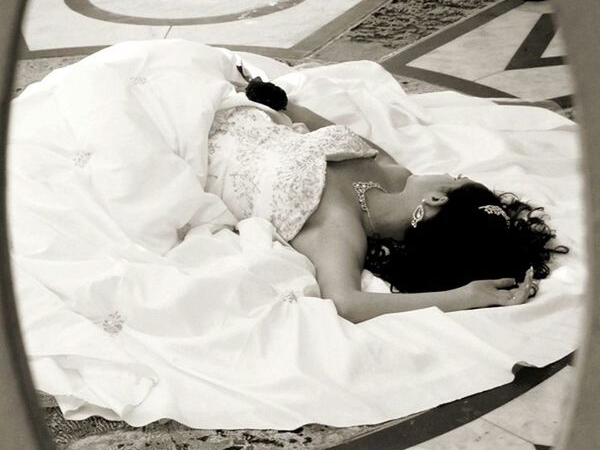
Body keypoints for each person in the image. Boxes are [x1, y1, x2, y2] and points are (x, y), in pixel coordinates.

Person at [206, 82, 566, 324]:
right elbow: (327, 131)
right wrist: (284, 104)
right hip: (245, 109)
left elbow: (346, 303)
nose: (448, 172)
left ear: (436, 199)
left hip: (201, 144)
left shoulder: (339, 228)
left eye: (455, 178)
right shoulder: (394, 174)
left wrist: (465, 296)